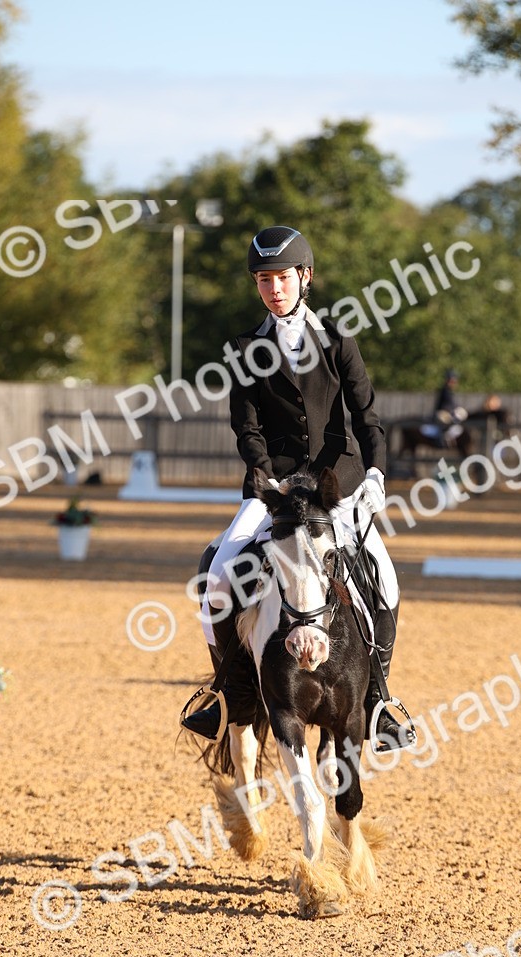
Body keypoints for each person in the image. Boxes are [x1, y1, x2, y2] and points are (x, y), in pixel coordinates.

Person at [182, 224, 413, 751]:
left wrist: (375, 475)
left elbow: (367, 417)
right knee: (219, 575)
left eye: (282, 277)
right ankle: (229, 695)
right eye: (264, 280)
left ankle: (378, 700)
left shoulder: (338, 339)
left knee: (386, 578)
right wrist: (270, 480)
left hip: (339, 486)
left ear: (304, 277)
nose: (274, 288)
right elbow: (247, 428)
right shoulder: (245, 349)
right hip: (274, 490)